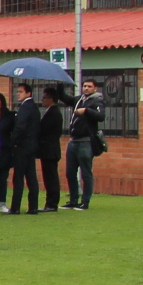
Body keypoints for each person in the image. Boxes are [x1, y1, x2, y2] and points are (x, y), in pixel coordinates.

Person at [66, 81, 102, 208]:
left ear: (95, 88)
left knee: (86, 173)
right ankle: (73, 200)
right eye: (85, 86)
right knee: (70, 172)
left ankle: (85, 201)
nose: (86, 88)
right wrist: (59, 85)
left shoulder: (97, 101)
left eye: (89, 86)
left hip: (86, 141)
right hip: (73, 141)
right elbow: (65, 98)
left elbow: (101, 116)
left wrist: (86, 111)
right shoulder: (79, 100)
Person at [31, 84, 66, 214]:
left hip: (50, 150)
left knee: (51, 177)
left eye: (44, 97)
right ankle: (50, 202)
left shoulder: (54, 113)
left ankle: (52, 203)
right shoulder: (50, 112)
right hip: (48, 150)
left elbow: (45, 130)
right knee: (49, 176)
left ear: (51, 98)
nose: (42, 100)